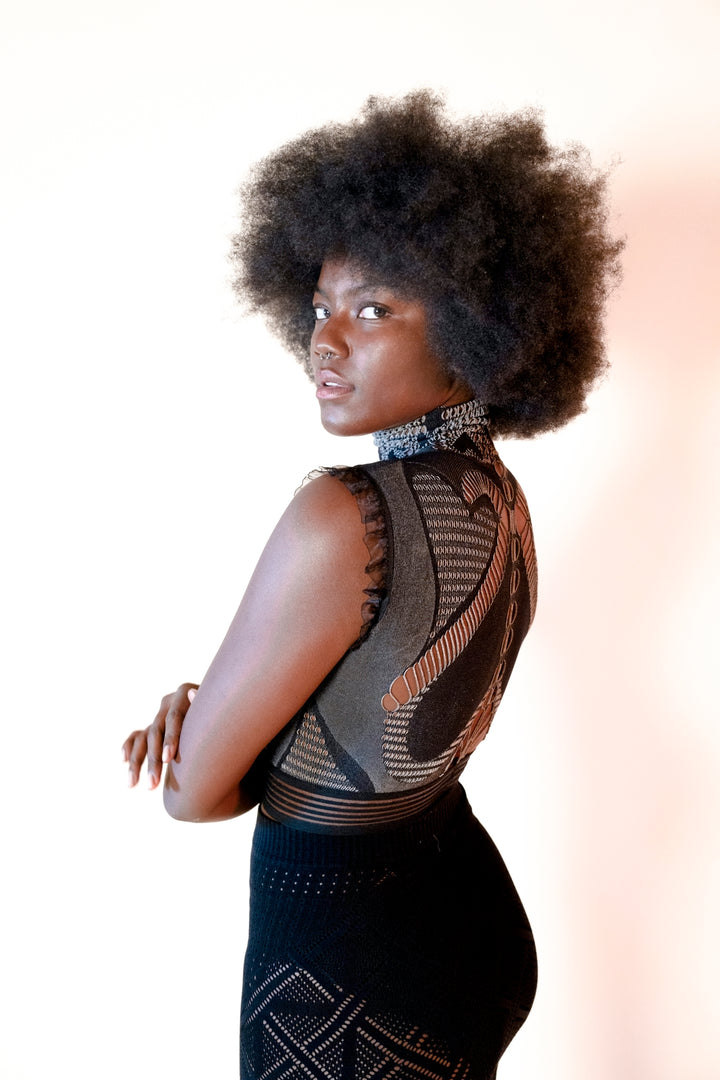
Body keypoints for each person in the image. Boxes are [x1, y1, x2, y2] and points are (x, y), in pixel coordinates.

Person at [122, 91, 622, 1079]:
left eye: (374, 309)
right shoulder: (498, 497)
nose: (327, 340)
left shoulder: (342, 517)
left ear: (476, 324)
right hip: (457, 909)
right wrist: (230, 711)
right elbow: (371, 719)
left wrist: (208, 724)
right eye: (320, 307)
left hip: (348, 971)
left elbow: (191, 795)